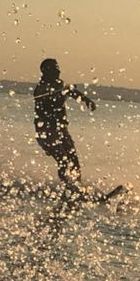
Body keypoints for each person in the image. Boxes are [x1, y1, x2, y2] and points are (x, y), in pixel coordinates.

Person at [33, 58, 96, 196]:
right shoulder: (41, 88)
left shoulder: (60, 85)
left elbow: (73, 92)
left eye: (58, 68)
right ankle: (69, 189)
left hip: (61, 130)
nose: (59, 71)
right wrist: (54, 95)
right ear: (47, 71)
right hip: (46, 132)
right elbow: (44, 105)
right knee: (63, 160)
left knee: (74, 159)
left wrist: (87, 101)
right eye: (55, 69)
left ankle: (78, 188)